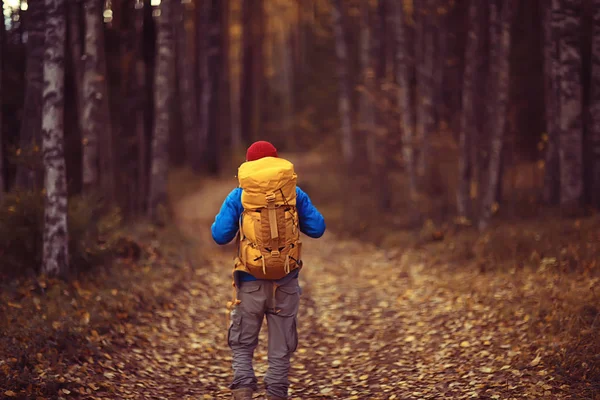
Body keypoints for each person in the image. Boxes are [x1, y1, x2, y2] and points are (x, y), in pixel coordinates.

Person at [211, 141, 326, 400]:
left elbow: (219, 235)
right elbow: (318, 228)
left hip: (250, 280)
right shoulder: (293, 192)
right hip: (285, 279)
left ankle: (242, 389)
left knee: (242, 341)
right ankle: (276, 393)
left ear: (249, 165)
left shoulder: (239, 195)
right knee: (281, 344)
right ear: (276, 161)